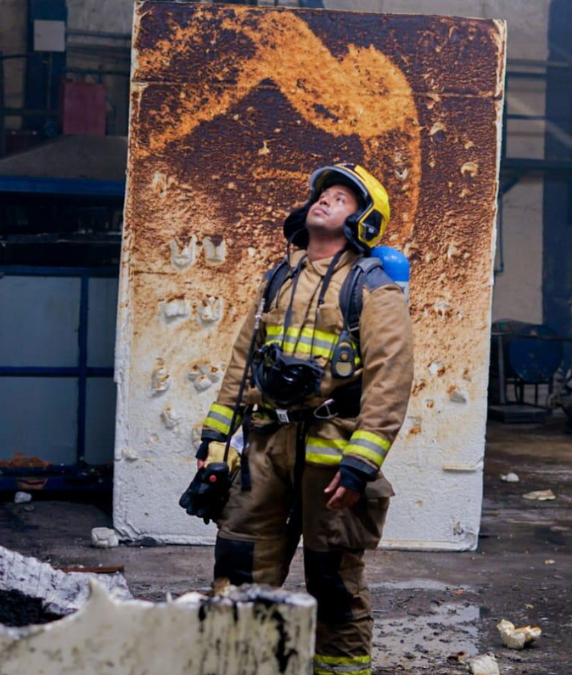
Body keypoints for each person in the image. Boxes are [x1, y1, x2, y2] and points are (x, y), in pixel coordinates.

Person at [196, 163, 414, 675]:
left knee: (333, 579)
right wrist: (215, 434)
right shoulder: (279, 277)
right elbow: (243, 360)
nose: (326, 200)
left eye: (342, 198)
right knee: (240, 564)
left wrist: (360, 464)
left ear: (362, 221)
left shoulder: (372, 288)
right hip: (265, 448)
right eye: (323, 193)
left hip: (331, 456)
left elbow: (390, 378)